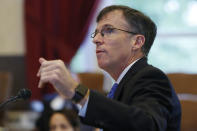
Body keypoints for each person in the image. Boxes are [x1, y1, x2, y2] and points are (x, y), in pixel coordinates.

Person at [37, 5, 181, 131]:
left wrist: (76, 91)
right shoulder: (121, 85)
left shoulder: (151, 77)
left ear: (137, 42)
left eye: (109, 30)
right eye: (97, 33)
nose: (96, 39)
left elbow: (146, 125)